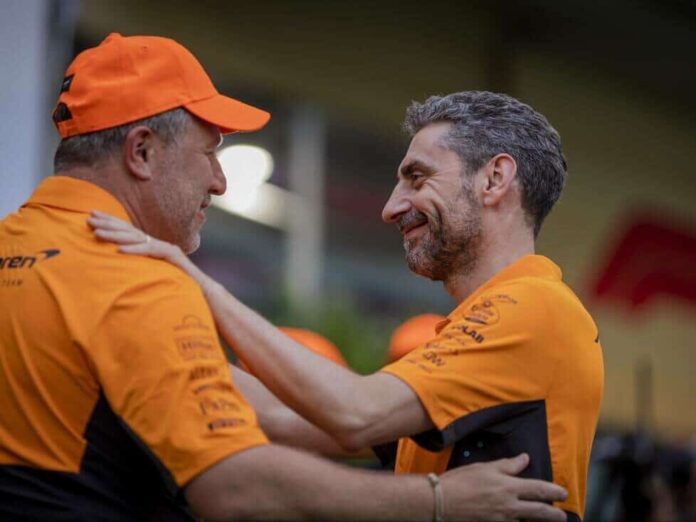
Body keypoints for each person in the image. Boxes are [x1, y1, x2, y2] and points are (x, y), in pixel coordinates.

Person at [0, 33, 569, 521]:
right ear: (142, 152)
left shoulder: (29, 252)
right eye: (209, 152)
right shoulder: (136, 279)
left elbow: (295, 413)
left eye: (418, 178)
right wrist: (438, 499)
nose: (220, 181)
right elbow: (242, 481)